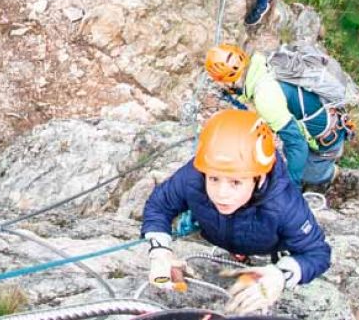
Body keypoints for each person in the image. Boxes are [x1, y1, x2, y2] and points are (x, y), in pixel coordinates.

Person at [141, 109, 331, 315]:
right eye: (213, 179)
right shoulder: (194, 176)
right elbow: (160, 205)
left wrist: (281, 274)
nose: (222, 194)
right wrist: (160, 251)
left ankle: (243, 253)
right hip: (218, 230)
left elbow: (317, 253)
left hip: (267, 244)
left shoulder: (283, 205)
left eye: (235, 182)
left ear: (258, 178)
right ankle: (237, 252)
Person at [205, 43, 348, 191]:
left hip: (328, 139)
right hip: (329, 114)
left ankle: (328, 173)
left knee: (306, 170)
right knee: (289, 151)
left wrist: (290, 186)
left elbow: (297, 144)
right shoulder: (261, 61)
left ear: (228, 81)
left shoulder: (265, 96)